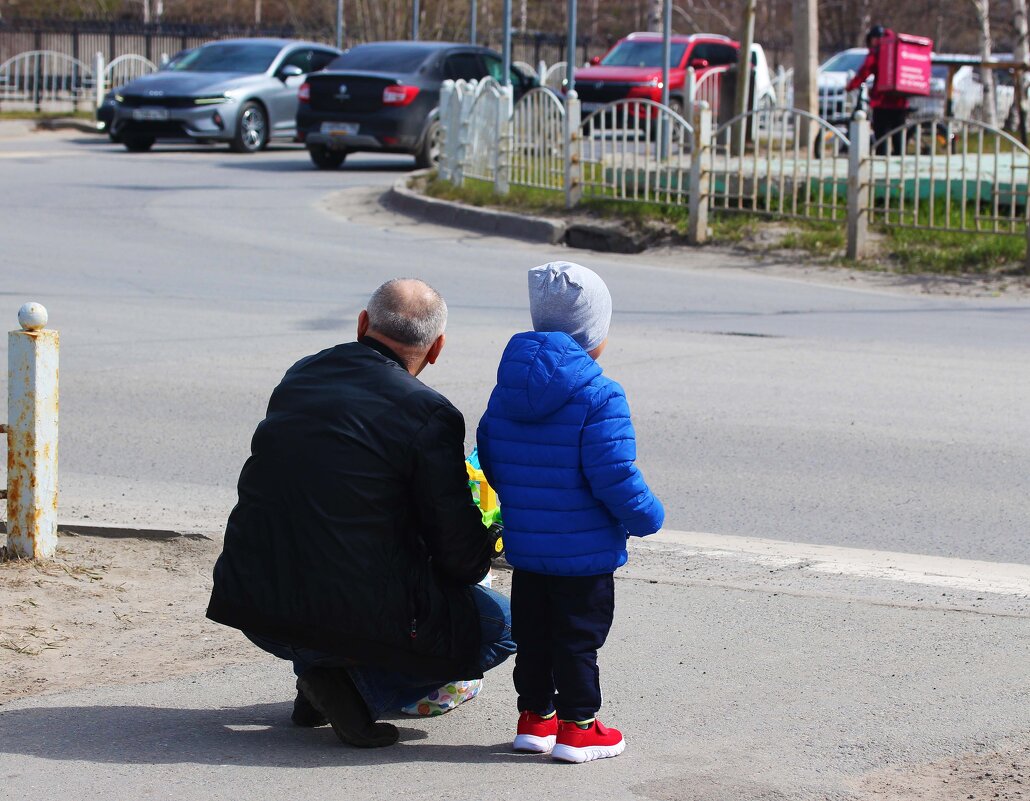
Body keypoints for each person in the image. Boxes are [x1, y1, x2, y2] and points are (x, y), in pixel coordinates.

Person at [206, 278, 515, 749]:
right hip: (336, 614)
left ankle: (318, 680)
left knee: (332, 558)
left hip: (251, 601)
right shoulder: (430, 415)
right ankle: (355, 689)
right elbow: (461, 559)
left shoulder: (302, 375)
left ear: (363, 324)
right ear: (436, 349)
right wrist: (488, 538)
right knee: (508, 626)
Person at [476, 261, 665, 764]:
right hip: (585, 554)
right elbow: (614, 474)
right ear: (594, 333)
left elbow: (490, 453)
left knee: (535, 635)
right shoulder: (599, 393)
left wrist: (526, 501)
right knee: (578, 639)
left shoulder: (508, 388)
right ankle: (579, 728)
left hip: (530, 549)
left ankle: (534, 719)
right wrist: (647, 516)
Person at [847, 25, 910, 155]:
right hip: (901, 101)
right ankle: (900, 165)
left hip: (883, 102)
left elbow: (865, 71)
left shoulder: (878, 51)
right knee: (899, 137)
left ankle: (883, 165)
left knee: (882, 137)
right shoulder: (897, 49)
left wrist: (850, 86)